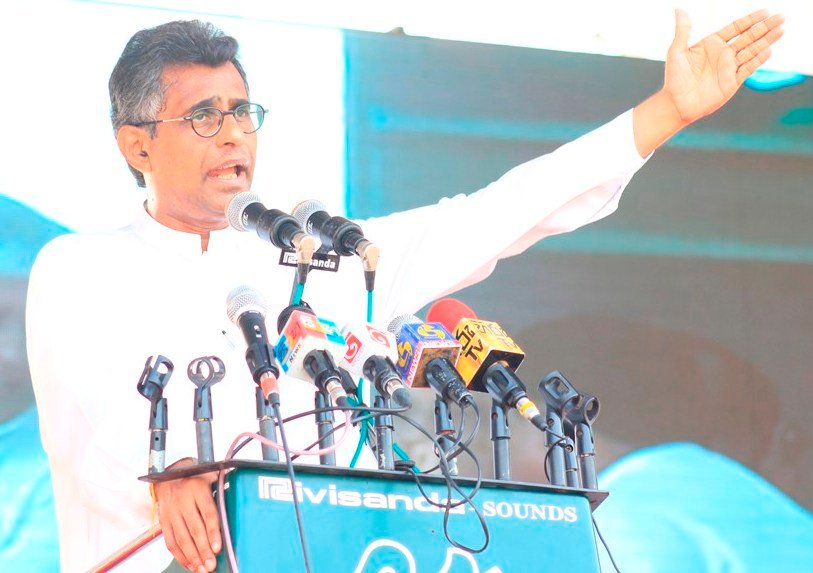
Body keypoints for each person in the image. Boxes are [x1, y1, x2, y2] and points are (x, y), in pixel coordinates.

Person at [26, 9, 783, 573]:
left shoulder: (329, 261)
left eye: (242, 112)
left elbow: (499, 213)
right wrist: (167, 475)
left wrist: (666, 113)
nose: (232, 135)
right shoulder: (82, 265)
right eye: (203, 116)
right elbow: (95, 419)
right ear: (137, 143)